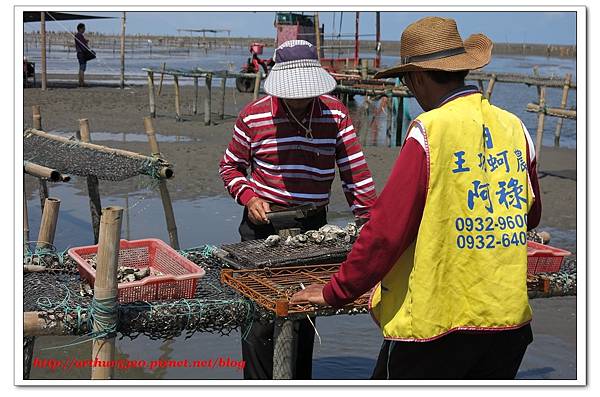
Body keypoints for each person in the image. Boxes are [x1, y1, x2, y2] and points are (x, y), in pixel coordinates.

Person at [291, 17, 542, 380]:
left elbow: (385, 233)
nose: (410, 90)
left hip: (435, 330)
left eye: (408, 81)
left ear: (419, 77)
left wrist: (335, 292)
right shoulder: (514, 127)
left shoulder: (430, 131)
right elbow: (530, 215)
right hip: (508, 325)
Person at [219, 40, 377, 379]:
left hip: (313, 230)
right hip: (262, 227)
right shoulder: (254, 115)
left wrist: (369, 223)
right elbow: (231, 167)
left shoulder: (335, 114)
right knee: (258, 321)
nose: (300, 97)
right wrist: (249, 198)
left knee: (305, 310)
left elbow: (355, 174)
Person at [74, 23, 89, 87]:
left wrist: (85, 41)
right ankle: (82, 83)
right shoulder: (79, 35)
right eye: (83, 28)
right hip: (81, 53)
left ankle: (80, 82)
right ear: (80, 29)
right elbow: (83, 45)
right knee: (82, 68)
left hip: (80, 53)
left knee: (81, 68)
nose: (84, 29)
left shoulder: (78, 36)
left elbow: (82, 43)